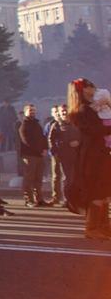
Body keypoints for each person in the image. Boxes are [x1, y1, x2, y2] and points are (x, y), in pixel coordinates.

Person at [67, 79, 111, 240]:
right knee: (97, 191)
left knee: (105, 191)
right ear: (84, 90)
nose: (94, 89)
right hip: (93, 156)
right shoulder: (83, 109)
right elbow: (95, 130)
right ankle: (92, 228)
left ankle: (105, 226)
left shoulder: (89, 108)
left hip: (100, 153)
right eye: (91, 86)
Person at [17, 103, 50, 207]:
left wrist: (45, 148)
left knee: (38, 178)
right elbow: (27, 141)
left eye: (34, 110)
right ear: (25, 112)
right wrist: (39, 150)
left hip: (40, 155)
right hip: (29, 155)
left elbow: (43, 137)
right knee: (29, 178)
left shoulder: (37, 124)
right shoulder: (24, 126)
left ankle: (39, 199)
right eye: (30, 110)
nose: (33, 112)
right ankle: (29, 200)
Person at [49, 104, 77, 207]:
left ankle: (75, 199)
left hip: (76, 155)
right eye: (62, 111)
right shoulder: (56, 125)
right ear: (59, 113)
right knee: (66, 178)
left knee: (75, 178)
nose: (64, 113)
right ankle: (66, 200)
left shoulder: (75, 123)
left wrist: (78, 142)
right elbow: (50, 139)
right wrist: (54, 152)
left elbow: (82, 136)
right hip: (63, 156)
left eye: (66, 111)